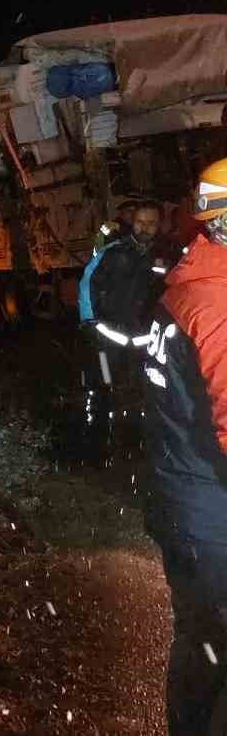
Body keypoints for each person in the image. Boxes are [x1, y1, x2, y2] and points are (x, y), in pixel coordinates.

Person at [141, 159, 227, 734]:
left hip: (182, 497)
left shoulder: (189, 284)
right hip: (209, 516)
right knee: (210, 641)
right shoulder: (217, 303)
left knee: (198, 638)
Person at [78, 199, 167, 456]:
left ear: (159, 226)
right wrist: (89, 322)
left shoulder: (165, 256)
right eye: (141, 222)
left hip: (144, 342)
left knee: (143, 390)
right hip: (107, 340)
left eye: (151, 223)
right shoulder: (113, 252)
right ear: (132, 223)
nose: (145, 228)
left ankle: (135, 443)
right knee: (101, 387)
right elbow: (87, 284)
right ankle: (95, 443)